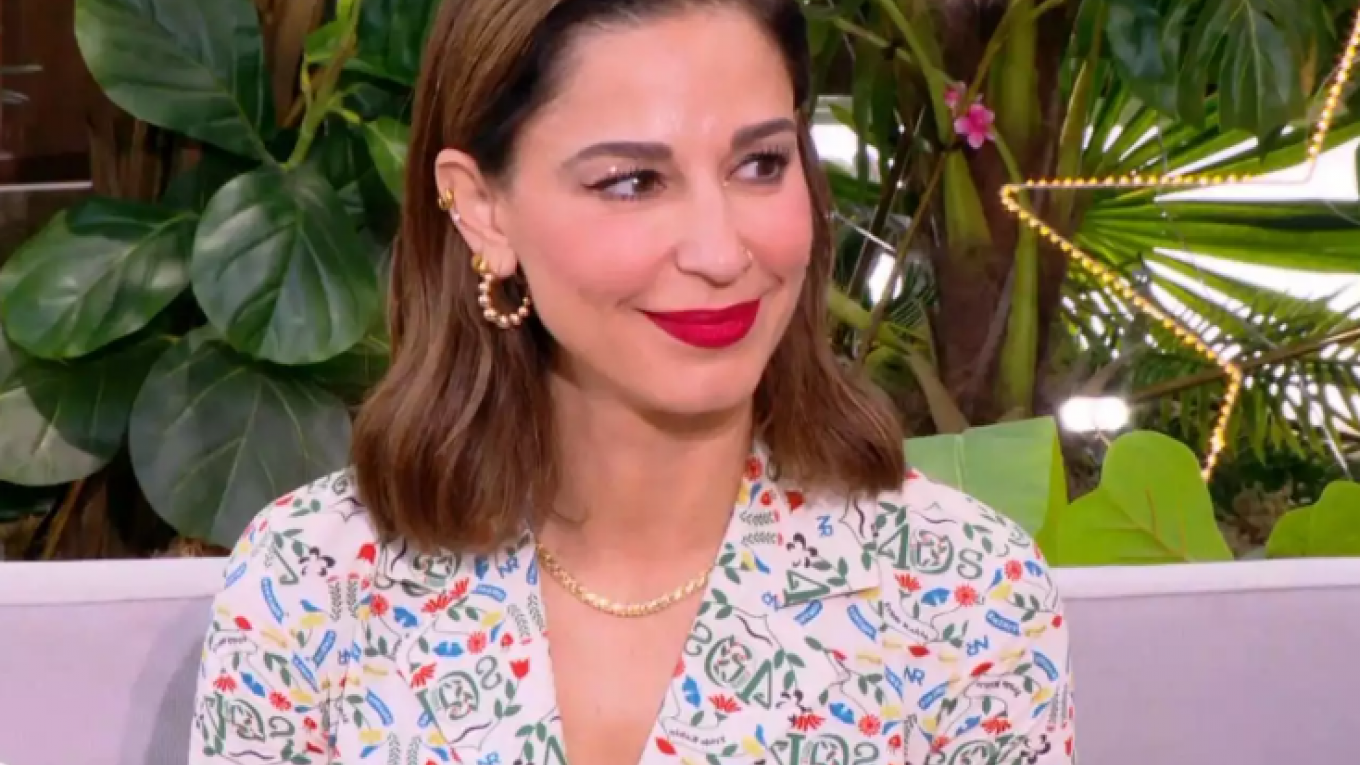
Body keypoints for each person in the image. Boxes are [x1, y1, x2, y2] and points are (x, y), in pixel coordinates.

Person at [188, 0, 1075, 762]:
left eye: (761, 165)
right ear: (482, 208)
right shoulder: (312, 586)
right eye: (632, 181)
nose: (720, 252)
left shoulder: (962, 598)